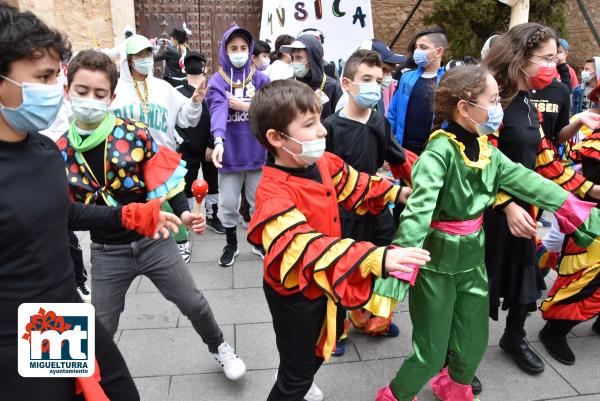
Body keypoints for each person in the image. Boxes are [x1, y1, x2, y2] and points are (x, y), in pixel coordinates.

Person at [374, 65, 600, 401]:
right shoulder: (439, 153)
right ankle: (395, 395)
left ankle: (453, 387)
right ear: (465, 107)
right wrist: (398, 266)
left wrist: (574, 210)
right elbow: (419, 212)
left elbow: (529, 180)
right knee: (432, 353)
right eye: (493, 100)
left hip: (472, 262)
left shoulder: (487, 150)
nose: (497, 108)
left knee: (473, 343)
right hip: (436, 264)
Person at [0, 5, 182, 399]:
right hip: (10, 342)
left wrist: (130, 215)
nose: (54, 91)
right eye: (43, 78)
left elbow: (61, 213)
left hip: (58, 317)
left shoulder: (44, 152)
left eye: (55, 77)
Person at [58, 49, 247, 380]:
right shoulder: (59, 153)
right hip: (106, 253)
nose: (90, 100)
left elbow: (163, 179)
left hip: (154, 240)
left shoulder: (133, 133)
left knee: (194, 303)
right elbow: (67, 214)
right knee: (102, 324)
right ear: (67, 91)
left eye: (99, 93)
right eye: (82, 92)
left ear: (112, 96)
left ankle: (220, 347)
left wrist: (184, 215)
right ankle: (88, 379)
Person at [246, 78, 429, 401]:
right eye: (309, 124)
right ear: (276, 138)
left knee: (316, 351)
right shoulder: (272, 194)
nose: (323, 131)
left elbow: (357, 184)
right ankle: (295, 379)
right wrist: (375, 258)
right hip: (295, 296)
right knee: (295, 378)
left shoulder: (321, 162)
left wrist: (399, 193)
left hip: (327, 282)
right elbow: (303, 247)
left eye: (319, 120)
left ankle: (299, 372)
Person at [482, 22, 600, 376]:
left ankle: (514, 337)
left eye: (554, 57)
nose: (553, 65)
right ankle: (457, 356)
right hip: (485, 214)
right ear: (520, 56)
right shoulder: (491, 102)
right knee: (477, 286)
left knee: (524, 278)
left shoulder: (529, 103)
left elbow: (545, 159)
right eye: (545, 58)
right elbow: (479, 164)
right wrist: (506, 203)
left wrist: (590, 190)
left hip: (526, 210)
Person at [324, 50, 410, 350]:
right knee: (343, 268)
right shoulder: (330, 127)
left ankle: (374, 317)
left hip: (378, 208)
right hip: (345, 212)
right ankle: (337, 328)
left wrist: (421, 181)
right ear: (347, 83)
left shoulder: (379, 121)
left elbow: (397, 158)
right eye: (366, 79)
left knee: (384, 263)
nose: (375, 84)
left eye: (378, 79)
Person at [110, 34, 204, 262]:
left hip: (162, 156)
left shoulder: (163, 88)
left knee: (173, 200)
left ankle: (181, 242)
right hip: (127, 162)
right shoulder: (116, 90)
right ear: (128, 60)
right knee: (135, 207)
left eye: (148, 54)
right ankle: (134, 247)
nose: (145, 59)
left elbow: (185, 118)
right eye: (139, 55)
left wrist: (194, 102)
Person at [205, 25, 270, 266]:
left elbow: (271, 108)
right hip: (229, 153)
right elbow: (218, 110)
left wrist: (246, 106)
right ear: (224, 50)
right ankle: (231, 244)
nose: (239, 52)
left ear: (250, 50)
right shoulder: (217, 80)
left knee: (258, 202)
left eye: (243, 47)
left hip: (256, 152)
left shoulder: (261, 79)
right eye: (233, 48)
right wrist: (219, 140)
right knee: (229, 203)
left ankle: (257, 241)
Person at [538, 127, 600, 366]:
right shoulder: (594, 141)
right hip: (592, 224)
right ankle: (555, 329)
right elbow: (590, 181)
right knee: (583, 281)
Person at [174, 52, 225, 233]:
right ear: (184, 67)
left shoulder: (212, 90)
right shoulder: (177, 91)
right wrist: (183, 141)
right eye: (191, 62)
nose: (194, 65)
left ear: (204, 67)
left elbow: (218, 117)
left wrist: (213, 143)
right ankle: (189, 217)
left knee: (212, 183)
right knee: (187, 185)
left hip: (209, 148)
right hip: (187, 149)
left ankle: (212, 215)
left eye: (198, 62)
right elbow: (174, 120)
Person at [387, 26, 447, 155]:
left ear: (438, 52)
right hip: (404, 150)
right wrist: (389, 144)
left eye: (423, 47)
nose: (417, 51)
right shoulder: (407, 77)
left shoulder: (448, 81)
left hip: (435, 152)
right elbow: (393, 112)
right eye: (416, 47)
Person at [280, 35, 343, 120]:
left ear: (313, 59)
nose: (294, 62)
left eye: (299, 57)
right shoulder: (288, 85)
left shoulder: (332, 86)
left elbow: (339, 120)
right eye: (293, 57)